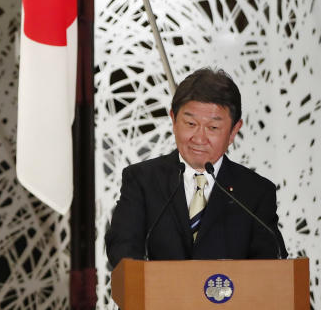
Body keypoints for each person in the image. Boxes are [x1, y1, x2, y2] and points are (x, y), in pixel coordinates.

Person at [105, 67, 286, 268]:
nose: (199, 138)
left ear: (234, 130)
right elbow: (122, 249)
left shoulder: (256, 192)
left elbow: (271, 265)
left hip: (229, 298)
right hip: (161, 297)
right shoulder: (142, 180)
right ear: (173, 119)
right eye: (190, 123)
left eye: (213, 128)